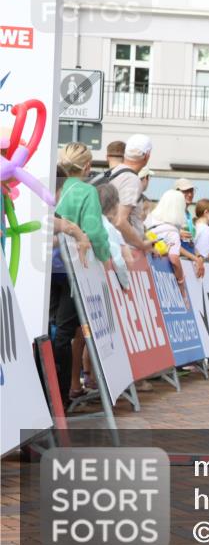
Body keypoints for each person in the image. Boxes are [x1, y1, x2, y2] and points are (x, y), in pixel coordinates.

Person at [51, 144, 111, 406]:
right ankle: (60, 396)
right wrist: (106, 258)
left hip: (45, 268)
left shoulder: (53, 184)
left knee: (47, 330)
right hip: (72, 267)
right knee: (65, 334)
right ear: (87, 167)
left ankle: (45, 392)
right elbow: (94, 231)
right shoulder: (86, 191)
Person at [145, 189, 206, 290]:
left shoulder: (147, 219)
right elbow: (174, 259)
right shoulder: (172, 231)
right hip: (157, 279)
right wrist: (181, 281)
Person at [109, 134, 156, 251]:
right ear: (147, 155)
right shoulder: (131, 179)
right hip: (124, 251)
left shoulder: (114, 172)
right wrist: (141, 244)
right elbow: (120, 221)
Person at [175, 178, 197, 253]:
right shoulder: (173, 211)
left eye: (191, 191)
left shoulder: (188, 213)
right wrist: (177, 233)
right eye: (185, 191)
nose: (190, 194)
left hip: (186, 259)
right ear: (176, 192)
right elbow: (161, 233)